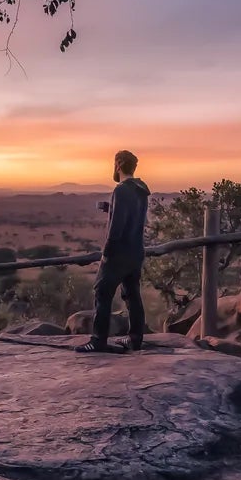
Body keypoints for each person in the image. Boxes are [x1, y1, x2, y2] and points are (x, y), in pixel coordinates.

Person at [80, 149, 149, 353]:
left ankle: (98, 341)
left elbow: (116, 227)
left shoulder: (121, 190)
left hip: (118, 253)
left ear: (118, 165)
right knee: (132, 295)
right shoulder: (141, 190)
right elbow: (132, 216)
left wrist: (107, 252)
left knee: (102, 292)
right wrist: (110, 209)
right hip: (136, 251)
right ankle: (135, 339)